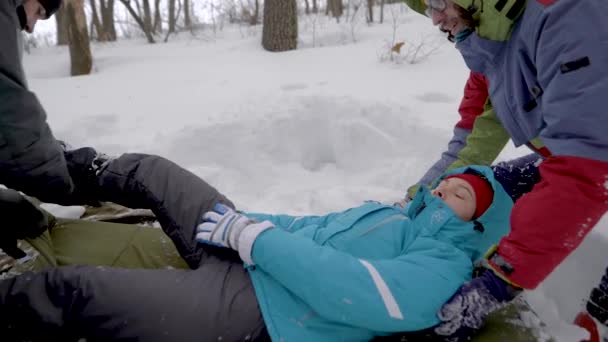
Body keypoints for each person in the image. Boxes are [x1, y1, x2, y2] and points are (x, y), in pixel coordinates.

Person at [0, 152, 514, 342]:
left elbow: (354, 290)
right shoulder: (389, 216)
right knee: (153, 173)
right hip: (246, 253)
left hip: (258, 314)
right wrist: (242, 221)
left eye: (461, 193)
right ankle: (36, 167)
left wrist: (253, 238)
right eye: (450, 183)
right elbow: (308, 226)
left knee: (82, 292)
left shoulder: (443, 267)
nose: (445, 190)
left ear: (480, 226)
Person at [415, 0, 608, 340]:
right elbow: (468, 142)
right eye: (426, 6)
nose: (434, 19)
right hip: (591, 155)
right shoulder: (490, 45)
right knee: (495, 183)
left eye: (437, 2)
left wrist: (497, 283)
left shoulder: (568, 16)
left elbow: (584, 168)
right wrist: (416, 202)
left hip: (593, 159)